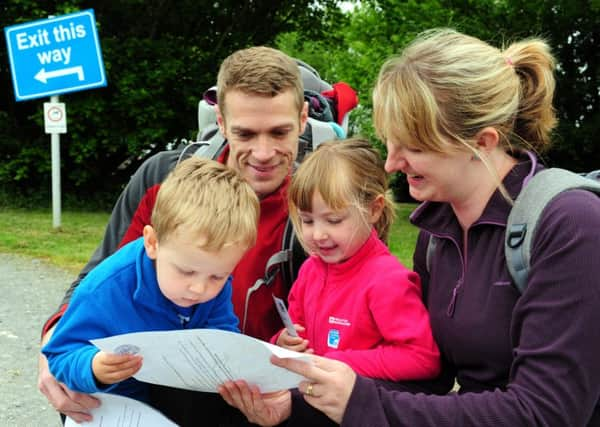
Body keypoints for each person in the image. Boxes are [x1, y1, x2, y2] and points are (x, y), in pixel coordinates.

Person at [218, 28, 600, 426]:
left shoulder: (571, 225)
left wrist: (360, 402)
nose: (391, 164)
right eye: (391, 143)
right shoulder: (438, 234)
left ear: (483, 141)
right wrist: (294, 404)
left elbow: (546, 413)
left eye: (413, 147)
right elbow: (431, 383)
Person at [38, 46, 309, 425]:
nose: (263, 153)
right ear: (221, 119)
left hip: (252, 394)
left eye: (280, 132)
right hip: (146, 388)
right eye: (244, 133)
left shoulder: (319, 205)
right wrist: (55, 346)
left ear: (303, 118)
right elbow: (99, 278)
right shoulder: (163, 180)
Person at [41, 156, 258, 404]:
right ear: (153, 243)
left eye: (218, 276)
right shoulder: (105, 288)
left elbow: (222, 334)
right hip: (112, 407)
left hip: (173, 400)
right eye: (185, 272)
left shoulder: (209, 277)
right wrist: (93, 367)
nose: (199, 288)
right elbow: (59, 355)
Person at [272, 138, 439, 382]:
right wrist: (283, 342)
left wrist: (338, 362)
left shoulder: (388, 281)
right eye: (307, 220)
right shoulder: (310, 270)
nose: (318, 234)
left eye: (334, 220)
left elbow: (421, 357)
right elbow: (297, 329)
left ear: (373, 209)